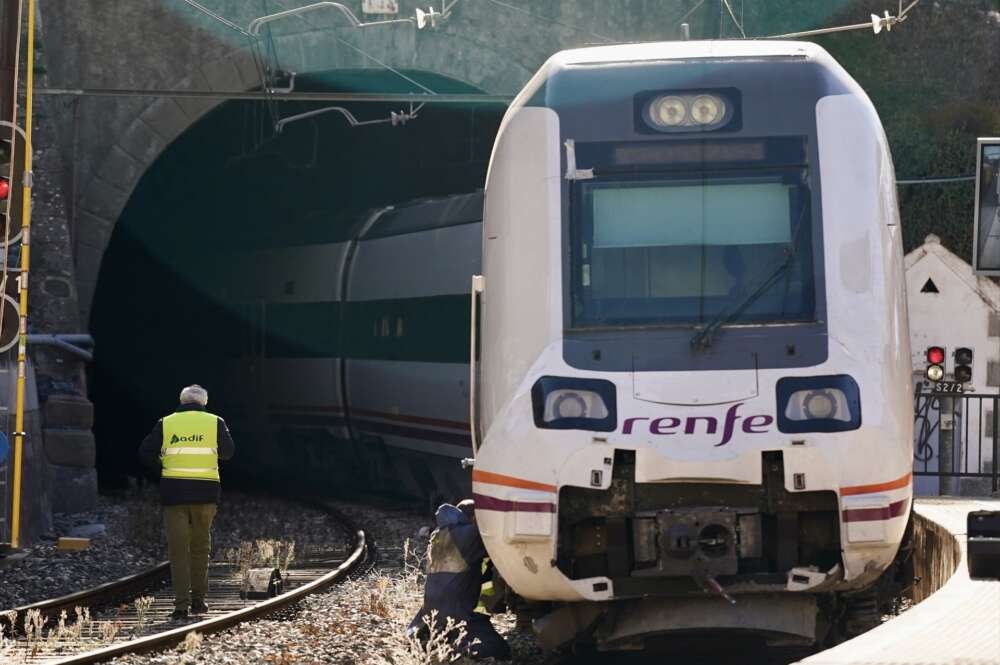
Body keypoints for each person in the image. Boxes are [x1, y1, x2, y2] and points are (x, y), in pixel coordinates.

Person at [137, 384, 235, 620]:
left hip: (174, 493)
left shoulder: (166, 422)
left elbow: (144, 453)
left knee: (178, 550)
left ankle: (181, 606)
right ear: (204, 402)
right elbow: (228, 453)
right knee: (201, 547)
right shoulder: (215, 422)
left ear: (182, 401)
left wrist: (164, 466)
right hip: (205, 494)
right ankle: (199, 601)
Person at [408, 499, 511, 660]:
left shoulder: (438, 535)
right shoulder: (469, 536)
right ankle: (453, 650)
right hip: (458, 613)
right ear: (474, 519)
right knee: (500, 649)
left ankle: (436, 640)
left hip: (429, 612)